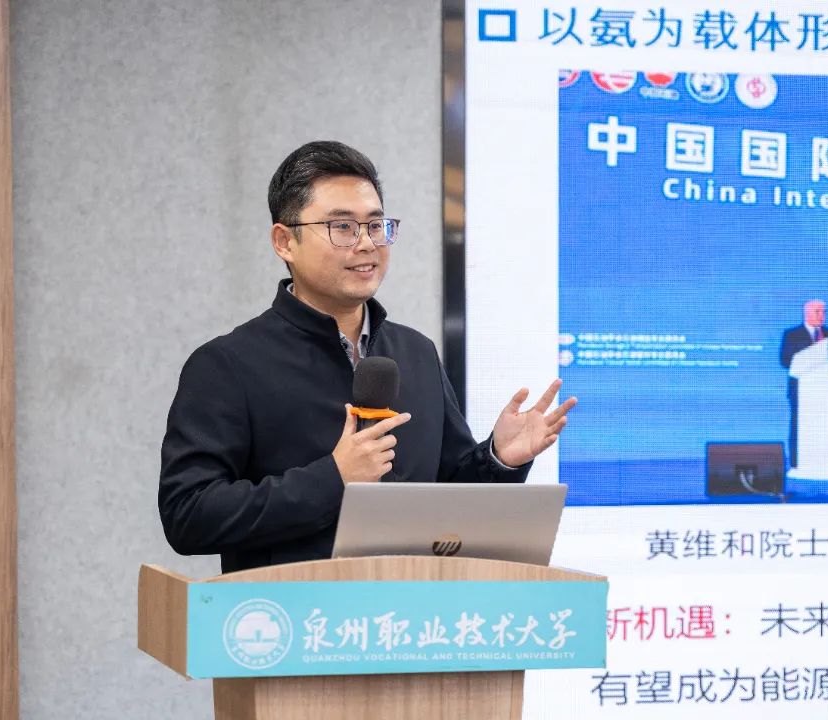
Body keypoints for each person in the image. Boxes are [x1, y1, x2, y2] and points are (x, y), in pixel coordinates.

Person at [159, 141, 576, 573]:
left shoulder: (416, 352)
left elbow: (449, 495)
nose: (366, 244)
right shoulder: (228, 365)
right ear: (284, 242)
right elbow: (187, 514)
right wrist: (333, 478)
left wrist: (498, 458)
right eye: (342, 227)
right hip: (297, 611)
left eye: (376, 226)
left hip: (412, 608)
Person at [779, 299, 828, 468]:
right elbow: (785, 360)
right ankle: (796, 461)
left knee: (825, 424)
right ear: (807, 313)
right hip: (801, 389)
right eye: (817, 312)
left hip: (827, 389)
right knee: (798, 425)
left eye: (823, 312)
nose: (821, 315)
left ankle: (824, 458)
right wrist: (808, 359)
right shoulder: (792, 334)